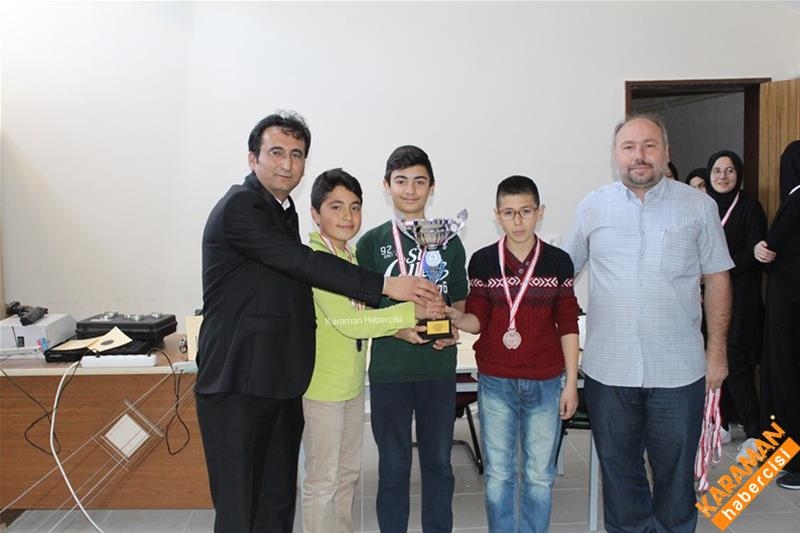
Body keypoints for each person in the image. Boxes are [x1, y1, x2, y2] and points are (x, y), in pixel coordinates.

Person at [196, 112, 442, 533]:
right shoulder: (241, 206)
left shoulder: (282, 211)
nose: (287, 164)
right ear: (253, 158)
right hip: (238, 379)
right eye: (276, 152)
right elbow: (301, 263)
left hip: (278, 378)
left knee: (277, 501)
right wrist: (387, 286)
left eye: (297, 154)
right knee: (241, 506)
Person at [563, 114, 733, 532]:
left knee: (676, 480)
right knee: (620, 477)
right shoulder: (592, 207)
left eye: (649, 145)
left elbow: (718, 279)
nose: (638, 155)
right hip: (609, 370)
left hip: (678, 371)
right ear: (615, 155)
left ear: (666, 152)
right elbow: (561, 275)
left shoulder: (699, 207)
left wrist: (717, 353)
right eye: (629, 147)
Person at [302, 168, 438, 533]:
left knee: (347, 475)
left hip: (350, 386)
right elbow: (349, 322)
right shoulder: (317, 259)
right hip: (323, 389)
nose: (347, 216)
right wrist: (409, 311)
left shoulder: (348, 256)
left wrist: (402, 327)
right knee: (323, 482)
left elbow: (364, 318)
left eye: (355, 207)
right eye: (336, 207)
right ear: (315, 213)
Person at [446, 175, 580, 532]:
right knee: (498, 474)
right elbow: (478, 320)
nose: (517, 221)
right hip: (496, 381)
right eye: (509, 213)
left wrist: (570, 383)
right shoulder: (483, 261)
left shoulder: (558, 262)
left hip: (546, 382)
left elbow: (568, 324)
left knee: (539, 475)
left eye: (525, 211)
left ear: (540, 212)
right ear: (497, 215)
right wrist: (455, 317)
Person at [356, 145, 468, 533]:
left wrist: (452, 326)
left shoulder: (450, 240)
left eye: (419, 181)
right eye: (401, 181)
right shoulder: (371, 243)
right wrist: (395, 327)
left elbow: (459, 298)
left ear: (431, 187)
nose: (410, 190)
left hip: (437, 368)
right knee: (393, 466)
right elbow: (362, 311)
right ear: (386, 186)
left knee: (438, 463)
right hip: (390, 370)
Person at [704, 150, 766, 455]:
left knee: (735, 360)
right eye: (717, 170)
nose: (723, 176)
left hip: (740, 297)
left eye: (729, 171)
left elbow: (755, 255)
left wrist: (717, 270)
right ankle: (722, 421)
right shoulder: (704, 206)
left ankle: (756, 430)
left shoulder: (750, 207)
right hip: (707, 296)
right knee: (712, 359)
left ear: (738, 174)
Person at [754, 139, 800, 490]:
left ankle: (793, 460)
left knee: (788, 379)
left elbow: (771, 249)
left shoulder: (795, 204)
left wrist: (762, 248)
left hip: (790, 312)